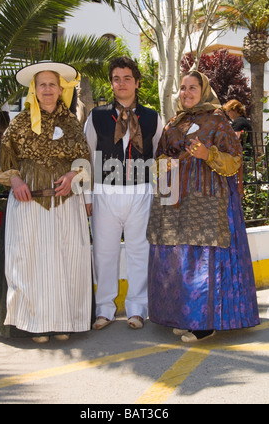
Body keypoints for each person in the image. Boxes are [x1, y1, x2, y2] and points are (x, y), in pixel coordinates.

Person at [147, 71, 260, 343]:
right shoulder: (174, 122)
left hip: (207, 196)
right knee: (179, 258)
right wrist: (165, 164)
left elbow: (234, 161)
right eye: (183, 88)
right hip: (175, 199)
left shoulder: (218, 120)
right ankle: (185, 316)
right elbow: (159, 157)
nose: (186, 92)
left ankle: (203, 323)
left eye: (192, 87)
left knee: (201, 258)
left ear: (204, 90)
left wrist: (207, 154)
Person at [0, 61, 93, 344]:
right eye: (42, 85)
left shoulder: (72, 122)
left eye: (52, 84)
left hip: (65, 203)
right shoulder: (20, 123)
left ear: (61, 89)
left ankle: (64, 321)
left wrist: (74, 173)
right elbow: (6, 162)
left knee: (66, 261)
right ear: (34, 90)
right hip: (28, 205)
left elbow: (84, 159)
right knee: (31, 263)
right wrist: (15, 180)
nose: (47, 89)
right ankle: (35, 323)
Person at [84, 56, 163, 330]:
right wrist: (86, 197)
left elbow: (161, 156)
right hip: (105, 191)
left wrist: (164, 195)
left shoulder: (153, 117)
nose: (121, 83)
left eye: (127, 78)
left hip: (141, 190)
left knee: (139, 252)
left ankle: (137, 309)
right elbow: (86, 157)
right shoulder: (97, 116)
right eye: (116, 78)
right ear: (111, 83)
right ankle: (104, 309)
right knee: (103, 253)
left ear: (137, 82)